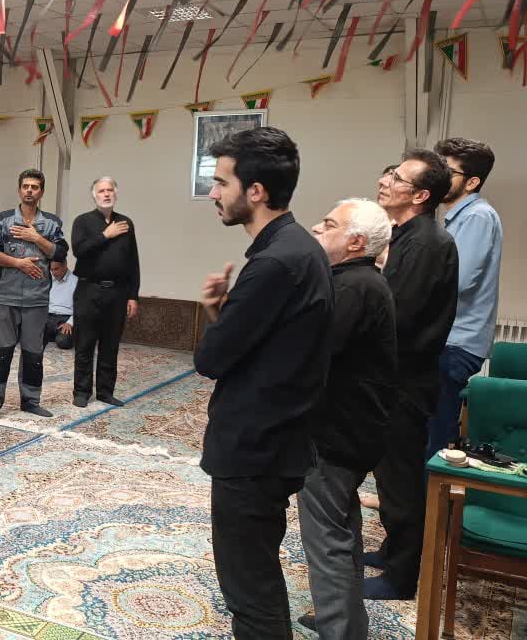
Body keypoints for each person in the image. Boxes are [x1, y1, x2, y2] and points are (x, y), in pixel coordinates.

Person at [193, 127, 333, 639]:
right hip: (277, 441)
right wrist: (226, 313)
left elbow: (211, 358)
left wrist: (216, 318)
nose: (214, 193)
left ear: (255, 191)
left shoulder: (275, 262)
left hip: (255, 450)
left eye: (221, 182)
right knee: (257, 576)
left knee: (250, 592)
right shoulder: (298, 248)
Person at [297, 198, 397, 639]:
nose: (317, 229)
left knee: (327, 539)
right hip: (351, 430)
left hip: (336, 435)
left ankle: (340, 630)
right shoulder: (357, 281)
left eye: (329, 224)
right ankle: (342, 619)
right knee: (341, 528)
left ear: (356, 242)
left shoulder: (354, 287)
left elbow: (311, 353)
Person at [364, 149, 459, 600]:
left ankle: (402, 577)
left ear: (420, 195)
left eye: (397, 178)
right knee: (390, 478)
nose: (385, 181)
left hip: (404, 383)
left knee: (401, 481)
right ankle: (391, 553)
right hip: (394, 379)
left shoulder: (425, 244)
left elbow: (397, 317)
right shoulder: (406, 235)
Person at [426, 138, 502, 459]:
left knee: (435, 434)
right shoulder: (458, 217)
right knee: (427, 428)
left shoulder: (477, 217)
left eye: (447, 171)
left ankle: (428, 493)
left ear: (471, 182)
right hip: (449, 339)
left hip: (456, 342)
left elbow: (458, 280)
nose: (437, 176)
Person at [0, 169, 68, 419]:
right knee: (0, 352)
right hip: (7, 297)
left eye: (35, 187)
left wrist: (36, 237)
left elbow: (60, 252)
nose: (29, 191)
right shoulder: (2, 220)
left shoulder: (52, 223)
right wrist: (18, 263)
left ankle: (30, 401)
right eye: (25, 186)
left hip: (37, 299)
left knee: (33, 354)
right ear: (19, 189)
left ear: (41, 192)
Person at [69, 176, 141, 407]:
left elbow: (133, 262)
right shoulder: (83, 221)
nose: (106, 194)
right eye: (101, 191)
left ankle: (105, 392)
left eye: (110, 190)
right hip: (88, 290)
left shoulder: (125, 223)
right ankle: (81, 392)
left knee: (110, 345)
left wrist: (133, 295)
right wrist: (105, 235)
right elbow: (79, 250)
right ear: (94, 195)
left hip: (118, 293)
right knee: (85, 344)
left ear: (116, 194)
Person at [43, 260, 76, 350]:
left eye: (56, 269)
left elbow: (81, 307)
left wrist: (70, 323)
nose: (54, 273)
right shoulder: (49, 280)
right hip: (48, 317)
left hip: (66, 319)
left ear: (65, 265)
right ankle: (53, 335)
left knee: (64, 342)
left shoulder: (76, 281)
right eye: (51, 270)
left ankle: (58, 335)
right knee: (28, 335)